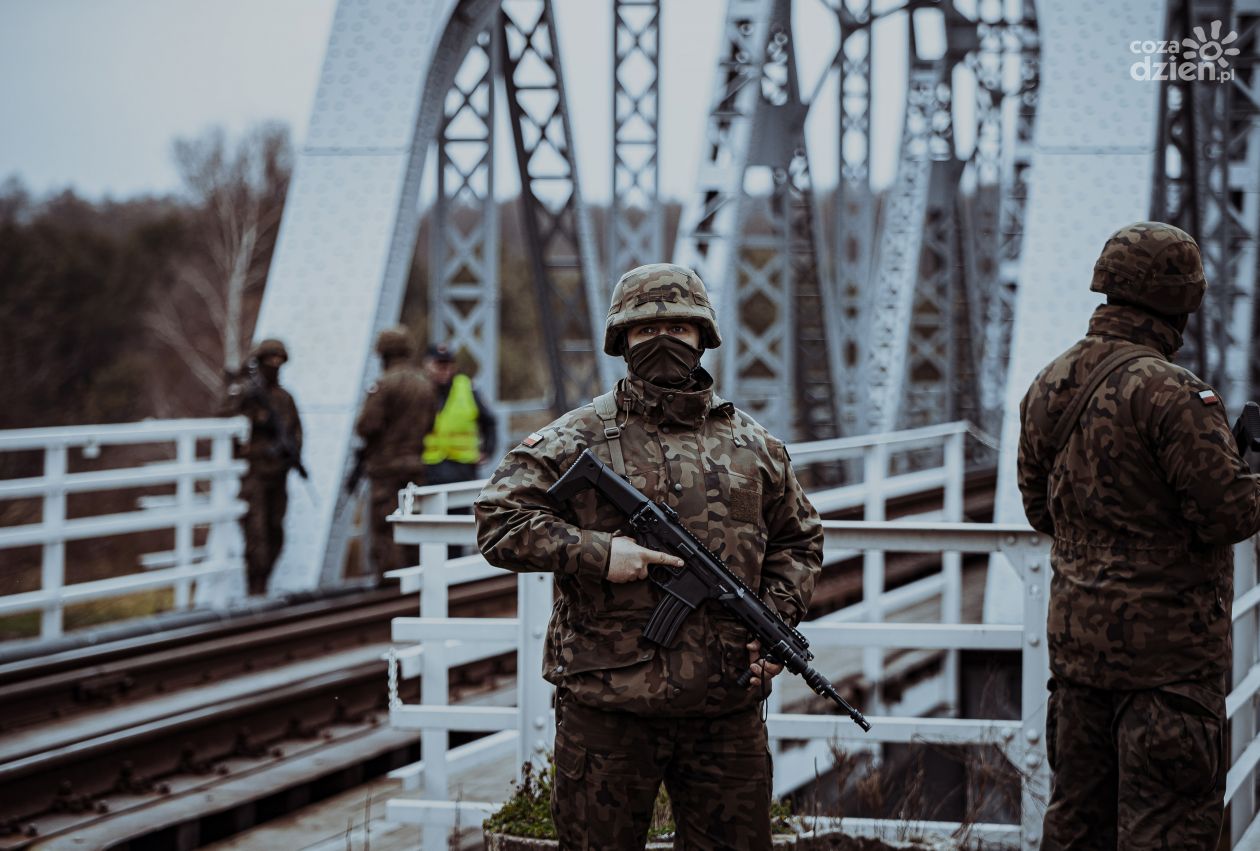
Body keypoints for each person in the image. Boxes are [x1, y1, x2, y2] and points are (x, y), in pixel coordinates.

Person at [474, 262, 823, 849]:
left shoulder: (756, 448)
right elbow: (498, 520)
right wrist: (598, 552)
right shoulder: (577, 437)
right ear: (621, 341)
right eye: (645, 331)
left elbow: (799, 540)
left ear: (703, 337)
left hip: (725, 713)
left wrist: (776, 620)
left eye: (679, 329)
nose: (663, 342)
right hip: (608, 709)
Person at [1016, 221, 1260, 848]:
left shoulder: (1048, 384)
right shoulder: (1175, 394)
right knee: (1167, 830)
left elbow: (1039, 511)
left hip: (1077, 659)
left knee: (1075, 824)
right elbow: (1229, 514)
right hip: (1167, 667)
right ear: (1181, 300)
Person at [222, 338, 304, 595]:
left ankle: (264, 583)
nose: (275, 366)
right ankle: (254, 586)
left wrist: (292, 456)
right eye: (270, 361)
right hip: (254, 474)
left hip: (278, 474)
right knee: (255, 533)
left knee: (275, 531)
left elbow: (295, 433)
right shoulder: (247, 394)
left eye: (279, 361)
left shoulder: (284, 398)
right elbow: (224, 418)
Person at [354, 326, 438, 576]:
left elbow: (367, 425)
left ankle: (390, 584)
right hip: (415, 463)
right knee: (414, 521)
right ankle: (415, 576)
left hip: (386, 467)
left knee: (385, 524)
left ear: (383, 353)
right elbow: (431, 424)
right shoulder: (425, 383)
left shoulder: (384, 384)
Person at [421, 342, 498, 485]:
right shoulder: (417, 390)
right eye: (439, 364)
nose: (445, 369)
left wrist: (488, 450)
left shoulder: (467, 387)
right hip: (428, 468)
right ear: (427, 364)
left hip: (462, 468)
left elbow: (489, 421)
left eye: (448, 364)